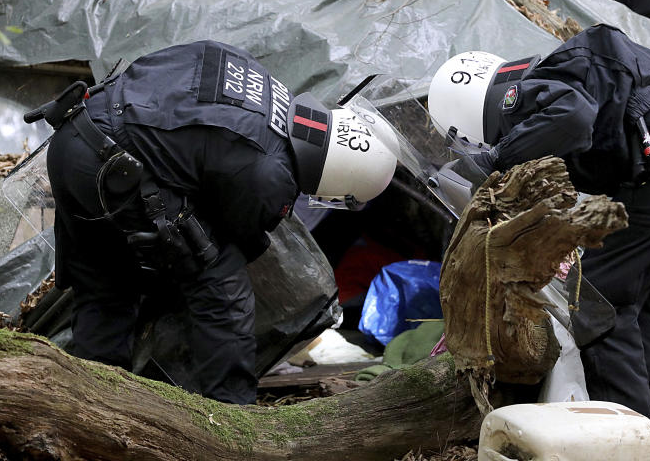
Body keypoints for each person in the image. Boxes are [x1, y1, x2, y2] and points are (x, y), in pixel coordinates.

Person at [427, 24, 650, 434]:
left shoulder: (526, 94)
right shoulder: (569, 75)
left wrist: (494, 159)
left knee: (598, 299)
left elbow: (575, 116)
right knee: (644, 291)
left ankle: (624, 437)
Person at [35, 40, 398, 404]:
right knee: (222, 287)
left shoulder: (265, 83)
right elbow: (236, 244)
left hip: (72, 137)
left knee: (104, 283)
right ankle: (233, 416)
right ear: (341, 174)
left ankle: (93, 403)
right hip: (115, 168)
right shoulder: (272, 174)